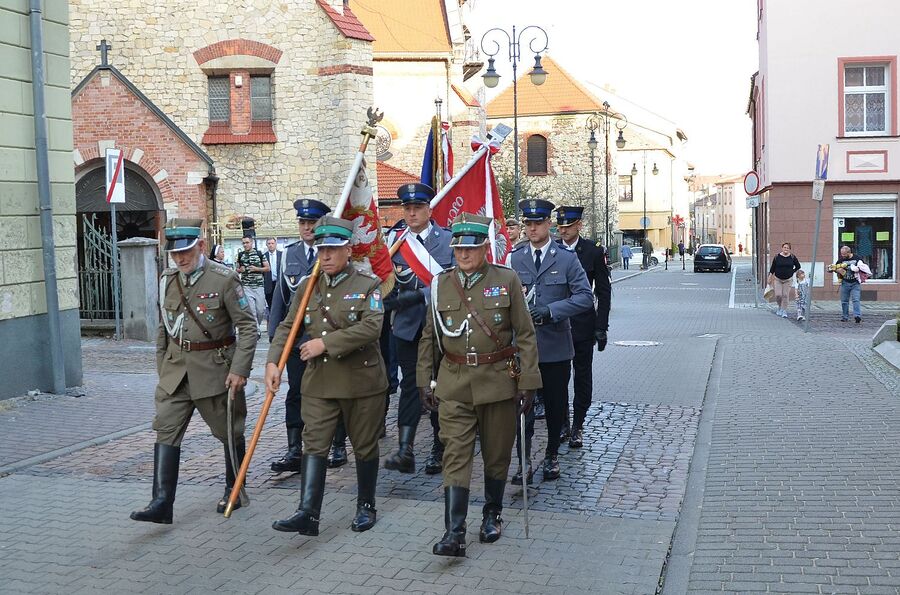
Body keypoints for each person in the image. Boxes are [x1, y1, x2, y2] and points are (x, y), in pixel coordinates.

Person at [417, 213, 541, 557]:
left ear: (485, 247)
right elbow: (430, 336)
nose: (463, 255)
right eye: (458, 249)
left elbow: (525, 334)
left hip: (498, 380)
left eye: (470, 248)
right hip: (454, 383)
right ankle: (454, 531)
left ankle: (492, 513)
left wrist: (528, 382)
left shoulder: (507, 279)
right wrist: (423, 381)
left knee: (496, 454)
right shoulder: (440, 284)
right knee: (455, 454)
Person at [130, 219, 258, 525]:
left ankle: (234, 488)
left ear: (200, 246)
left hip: (214, 371)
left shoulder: (224, 279)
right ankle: (161, 502)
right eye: (175, 254)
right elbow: (164, 329)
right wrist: (163, 368)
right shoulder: (167, 279)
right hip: (176, 373)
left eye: (185, 252)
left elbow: (248, 328)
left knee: (229, 430)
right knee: (166, 428)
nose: (180, 259)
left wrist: (240, 370)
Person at [268, 216, 387, 536]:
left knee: (363, 445)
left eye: (333, 249)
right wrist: (272, 362)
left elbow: (371, 327)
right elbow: (286, 326)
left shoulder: (367, 284)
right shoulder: (308, 286)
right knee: (314, 442)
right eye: (321, 250)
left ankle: (366, 504)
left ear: (348, 249)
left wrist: (325, 343)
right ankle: (308, 511)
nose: (326, 256)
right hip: (320, 382)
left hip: (360, 381)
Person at [509, 199, 593, 483]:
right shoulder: (514, 257)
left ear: (548, 225)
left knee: (556, 406)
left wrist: (553, 311)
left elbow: (585, 297)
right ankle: (524, 461)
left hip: (556, 347)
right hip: (523, 350)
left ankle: (551, 456)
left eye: (537, 223)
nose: (532, 229)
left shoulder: (566, 258)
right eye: (528, 224)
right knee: (523, 408)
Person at [383, 183, 454, 476]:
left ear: (429, 209)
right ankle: (405, 448)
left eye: (417, 208)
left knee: (439, 385)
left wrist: (420, 296)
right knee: (412, 385)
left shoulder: (448, 240)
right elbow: (385, 278)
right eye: (407, 209)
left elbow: (453, 284)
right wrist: (388, 300)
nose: (411, 213)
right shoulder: (396, 243)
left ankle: (440, 447)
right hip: (408, 327)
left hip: (441, 327)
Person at [267, 198, 337, 474]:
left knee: (332, 392)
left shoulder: (331, 253)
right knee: (295, 393)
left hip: (325, 340)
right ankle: (295, 448)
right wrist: (276, 342)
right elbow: (279, 303)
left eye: (312, 223)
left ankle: (337, 444)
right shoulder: (289, 254)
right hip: (297, 341)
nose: (307, 228)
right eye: (303, 223)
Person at [555, 206, 611, 448]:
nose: (563, 230)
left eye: (568, 226)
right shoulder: (553, 250)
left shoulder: (592, 251)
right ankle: (562, 423)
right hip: (556, 325)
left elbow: (603, 291)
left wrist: (601, 326)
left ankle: (578, 424)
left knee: (582, 377)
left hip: (582, 325)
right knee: (558, 379)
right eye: (560, 226)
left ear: (579, 225)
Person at [235, 234, 270, 334]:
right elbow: (236, 269)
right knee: (252, 310)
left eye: (247, 242)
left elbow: (268, 268)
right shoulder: (241, 255)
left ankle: (257, 326)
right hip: (246, 286)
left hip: (259, 286)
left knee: (260, 310)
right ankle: (256, 331)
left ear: (251, 242)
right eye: (243, 243)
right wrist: (239, 270)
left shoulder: (259, 254)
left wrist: (257, 269)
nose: (245, 245)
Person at [767, 242, 801, 318]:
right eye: (784, 247)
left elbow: (798, 266)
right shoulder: (777, 257)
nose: (786, 249)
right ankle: (779, 307)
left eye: (787, 248)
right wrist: (769, 276)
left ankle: (784, 310)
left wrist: (792, 271)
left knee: (785, 295)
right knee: (778, 295)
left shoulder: (792, 257)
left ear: (789, 249)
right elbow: (772, 268)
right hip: (778, 279)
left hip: (788, 280)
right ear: (782, 248)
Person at [830, 245, 863, 323]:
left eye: (844, 254)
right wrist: (837, 270)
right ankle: (845, 317)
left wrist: (857, 269)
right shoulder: (841, 260)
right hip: (845, 282)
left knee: (856, 299)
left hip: (855, 282)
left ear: (849, 252)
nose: (842, 256)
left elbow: (862, 268)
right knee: (844, 301)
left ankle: (857, 316)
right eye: (841, 254)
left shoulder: (857, 258)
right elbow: (835, 268)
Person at [263, 237, 283, 312]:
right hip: (268, 284)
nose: (271, 245)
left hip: (279, 283)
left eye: (272, 243)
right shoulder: (263, 256)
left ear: (275, 244)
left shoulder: (282, 255)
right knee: (271, 306)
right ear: (266, 245)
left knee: (280, 305)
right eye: (269, 244)